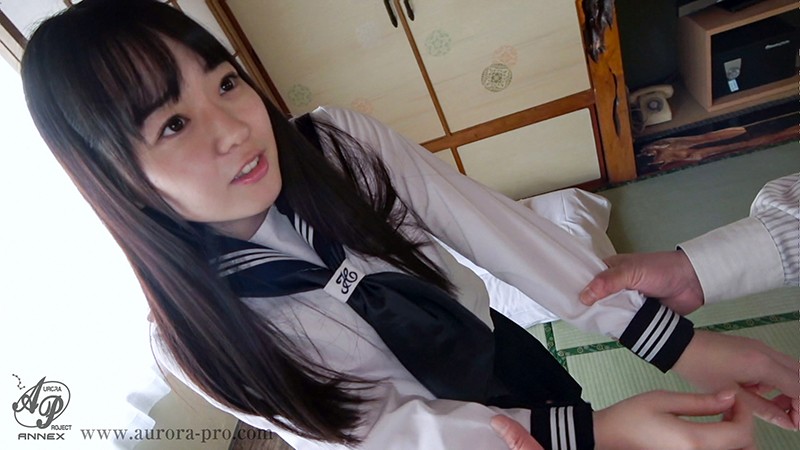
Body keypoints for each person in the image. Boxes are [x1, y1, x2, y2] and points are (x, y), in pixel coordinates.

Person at [19, 1, 793, 448]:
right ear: (117, 179)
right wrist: (595, 436)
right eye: (173, 124)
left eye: (225, 82)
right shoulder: (194, 337)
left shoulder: (338, 145)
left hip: (499, 350)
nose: (233, 128)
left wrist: (680, 344)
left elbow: (501, 235)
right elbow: (385, 436)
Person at [491, 174, 799, 449]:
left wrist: (674, 341)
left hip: (502, 360)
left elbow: (476, 223)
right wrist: (589, 433)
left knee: (548, 392)